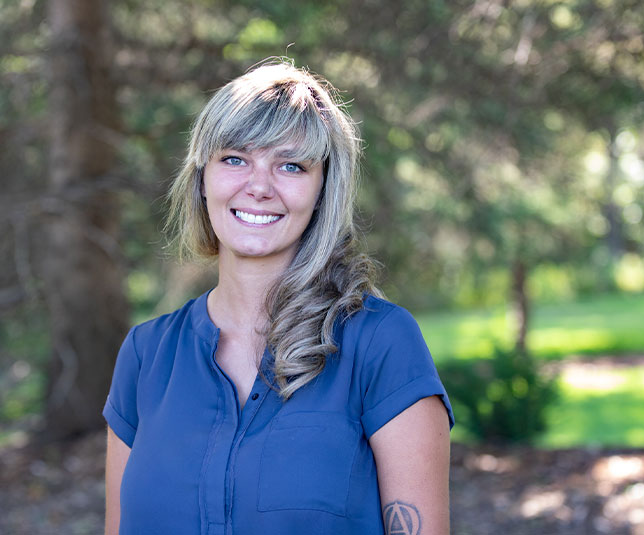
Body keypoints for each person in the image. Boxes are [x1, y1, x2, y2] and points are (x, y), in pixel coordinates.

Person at [103, 60, 454, 535]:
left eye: (291, 165)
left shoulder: (381, 343)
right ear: (202, 178)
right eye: (234, 158)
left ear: (322, 190)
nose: (259, 187)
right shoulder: (146, 356)